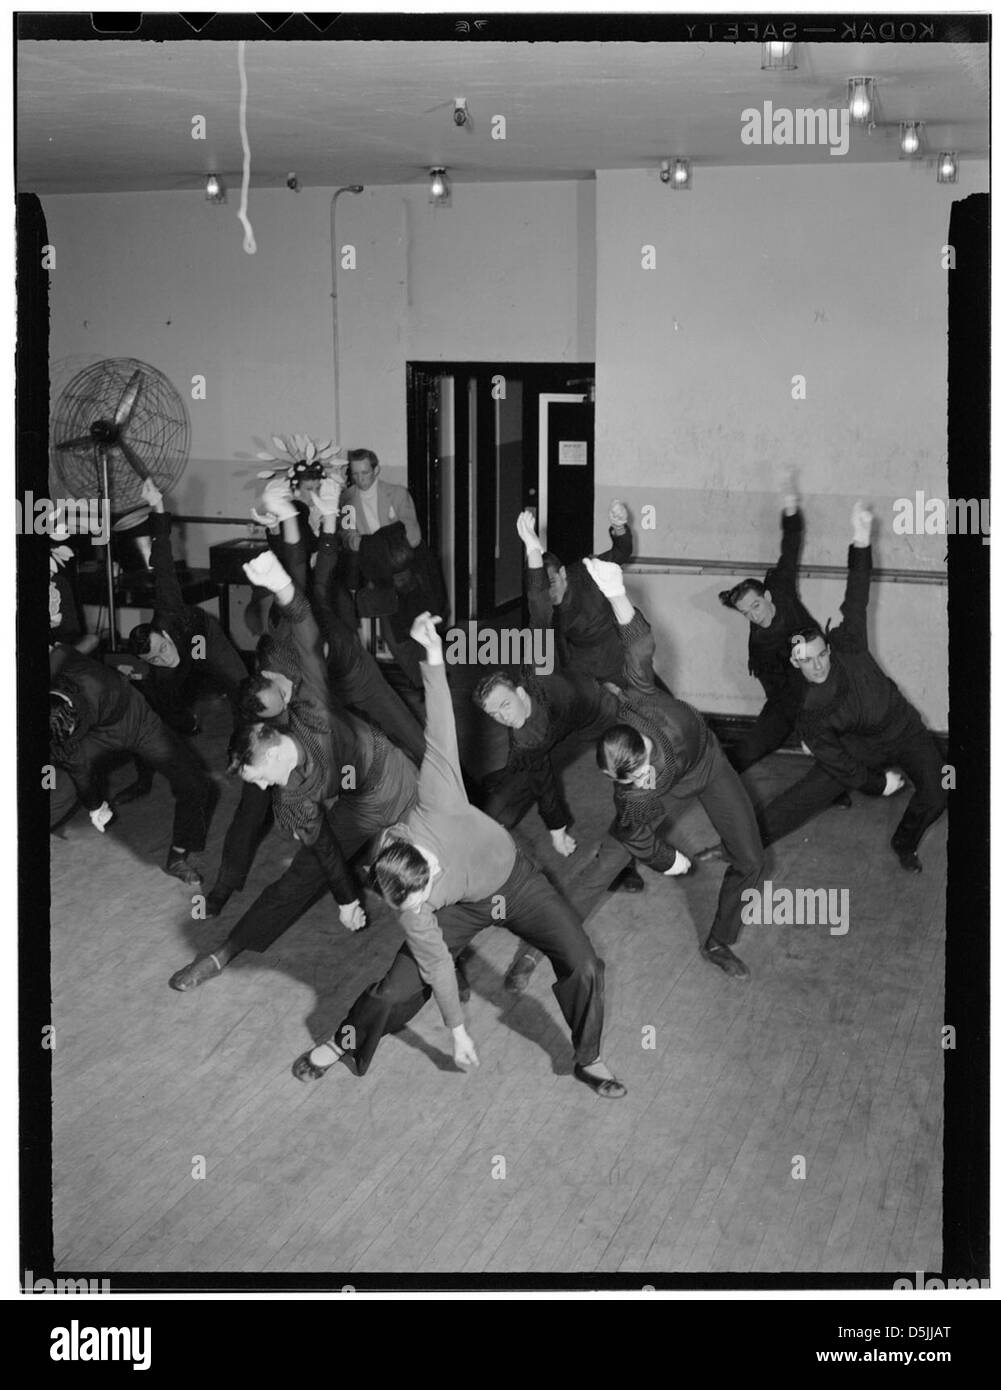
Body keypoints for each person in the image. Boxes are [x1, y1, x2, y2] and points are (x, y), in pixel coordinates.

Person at [290, 611, 627, 1100]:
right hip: (463, 909)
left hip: (517, 884)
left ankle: (589, 1058)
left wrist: (431, 654)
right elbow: (438, 967)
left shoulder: (438, 798)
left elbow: (439, 722)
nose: (421, 903)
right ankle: (342, 1043)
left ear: (424, 863)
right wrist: (457, 1031)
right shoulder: (413, 902)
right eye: (412, 905)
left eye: (424, 892)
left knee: (585, 965)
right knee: (393, 989)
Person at [168, 547, 421, 992]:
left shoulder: (312, 709)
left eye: (259, 777)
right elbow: (324, 848)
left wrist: (282, 585)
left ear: (272, 747)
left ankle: (441, 961)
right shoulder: (290, 796)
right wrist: (344, 900)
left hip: (397, 780)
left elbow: (304, 627)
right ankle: (223, 952)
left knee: (437, 864)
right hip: (359, 803)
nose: (264, 788)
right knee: (299, 876)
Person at [198, 476, 427, 919]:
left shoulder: (295, 628)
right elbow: (298, 569)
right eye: (278, 699)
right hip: (317, 700)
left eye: (282, 691)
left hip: (354, 676)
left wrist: (308, 519)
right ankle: (226, 884)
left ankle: (459, 809)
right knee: (254, 802)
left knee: (407, 739)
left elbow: (300, 573)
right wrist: (295, 519)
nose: (284, 692)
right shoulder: (265, 707)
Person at [587, 558, 765, 980]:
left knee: (753, 860)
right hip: (673, 786)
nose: (639, 782)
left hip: (709, 762)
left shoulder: (640, 699)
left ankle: (719, 941)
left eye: (638, 772)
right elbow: (638, 834)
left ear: (641, 748)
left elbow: (640, 646)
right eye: (629, 783)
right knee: (617, 850)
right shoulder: (635, 793)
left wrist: (616, 593)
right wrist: (670, 862)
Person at [771, 503, 947, 874]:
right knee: (807, 794)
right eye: (807, 661)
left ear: (829, 648)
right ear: (795, 663)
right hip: (859, 746)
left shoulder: (849, 640)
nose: (817, 665)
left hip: (905, 730)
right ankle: (742, 840)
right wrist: (877, 785)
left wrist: (861, 538)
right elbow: (842, 765)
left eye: (820, 655)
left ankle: (904, 842)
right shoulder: (810, 712)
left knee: (936, 792)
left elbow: (857, 591)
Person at [697, 483, 852, 861]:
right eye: (747, 613)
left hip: (819, 681)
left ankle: (839, 787)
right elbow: (778, 693)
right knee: (751, 747)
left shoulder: (779, 587)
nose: (755, 615)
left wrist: (790, 508)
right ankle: (709, 780)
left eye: (756, 606)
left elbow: (791, 546)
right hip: (787, 698)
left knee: (837, 740)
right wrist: (798, 723)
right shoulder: (760, 647)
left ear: (766, 596)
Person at [48, 650, 214, 884]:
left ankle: (178, 856)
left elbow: (79, 765)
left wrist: (94, 804)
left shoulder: (95, 682)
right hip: (89, 735)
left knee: (195, 783)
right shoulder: (53, 687)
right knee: (58, 796)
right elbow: (77, 766)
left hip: (135, 723)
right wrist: (95, 806)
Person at [126, 479, 247, 736]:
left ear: (164, 634)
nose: (164, 658)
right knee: (164, 704)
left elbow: (162, 560)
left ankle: (246, 740)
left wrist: (157, 505)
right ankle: (187, 726)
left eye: (162, 649)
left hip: (206, 638)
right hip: (188, 658)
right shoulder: (161, 672)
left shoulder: (168, 607)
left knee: (242, 687)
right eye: (154, 659)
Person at [338, 449, 430, 687]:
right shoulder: (347, 499)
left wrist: (370, 543)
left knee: (417, 631)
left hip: (405, 574)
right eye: (355, 473)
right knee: (394, 638)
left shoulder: (397, 494)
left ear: (376, 470)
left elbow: (412, 535)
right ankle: (421, 682)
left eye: (365, 472)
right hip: (377, 576)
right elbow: (348, 535)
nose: (360, 479)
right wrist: (382, 539)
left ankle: (431, 679)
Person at [523, 502, 634, 684]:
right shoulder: (545, 612)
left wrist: (619, 527)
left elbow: (621, 551)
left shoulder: (587, 571)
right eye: (543, 588)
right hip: (585, 666)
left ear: (563, 573)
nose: (549, 593)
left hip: (621, 650)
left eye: (552, 582)